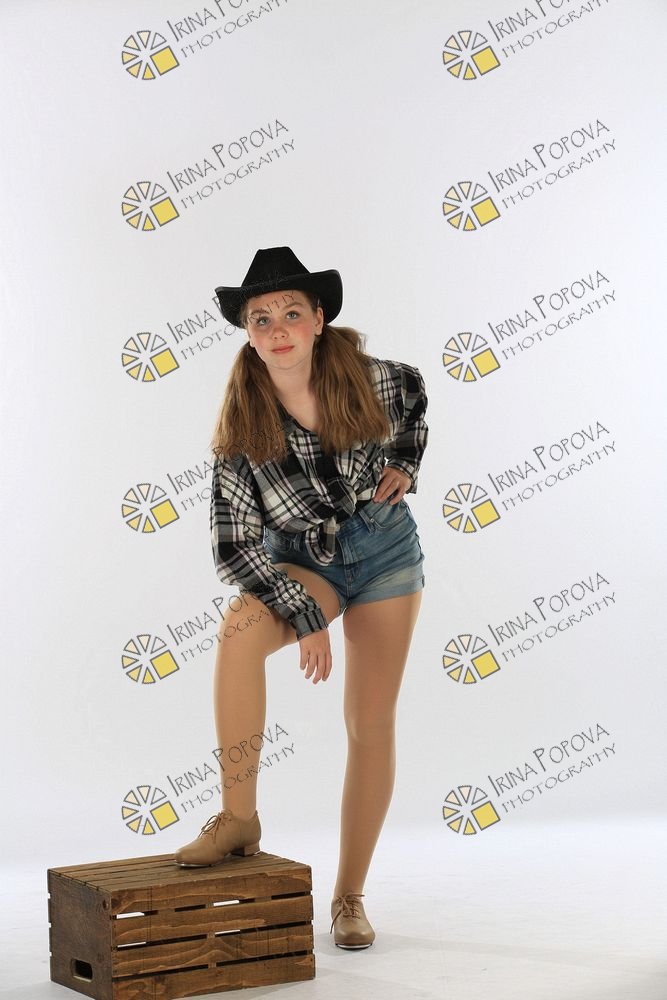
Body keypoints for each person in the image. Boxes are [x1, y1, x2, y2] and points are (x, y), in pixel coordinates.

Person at [174, 246, 429, 950]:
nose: (277, 328)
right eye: (261, 319)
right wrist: (304, 613)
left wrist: (405, 463)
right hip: (303, 562)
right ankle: (238, 819)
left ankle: (349, 897)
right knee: (238, 631)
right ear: (249, 336)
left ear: (318, 320)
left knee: (369, 722)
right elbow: (235, 550)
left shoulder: (371, 379)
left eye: (291, 313)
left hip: (385, 553)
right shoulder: (241, 428)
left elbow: (414, 392)